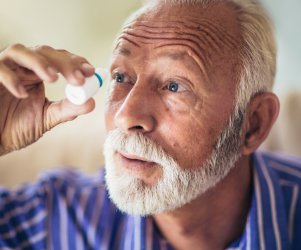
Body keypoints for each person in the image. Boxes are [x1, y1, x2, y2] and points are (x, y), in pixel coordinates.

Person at [0, 0, 300, 249]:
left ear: (253, 124)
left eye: (174, 85)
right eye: (121, 77)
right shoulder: (61, 218)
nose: (125, 117)